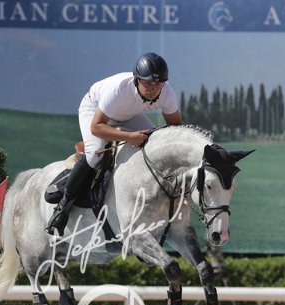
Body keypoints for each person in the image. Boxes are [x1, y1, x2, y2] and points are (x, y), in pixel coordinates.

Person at [45, 52, 183, 236]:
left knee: (155, 144)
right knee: (95, 154)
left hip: (129, 114)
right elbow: (96, 127)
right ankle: (62, 208)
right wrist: (130, 137)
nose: (153, 88)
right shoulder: (119, 90)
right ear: (137, 79)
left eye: (158, 83)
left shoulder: (167, 93)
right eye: (148, 83)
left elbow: (175, 129)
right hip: (94, 110)